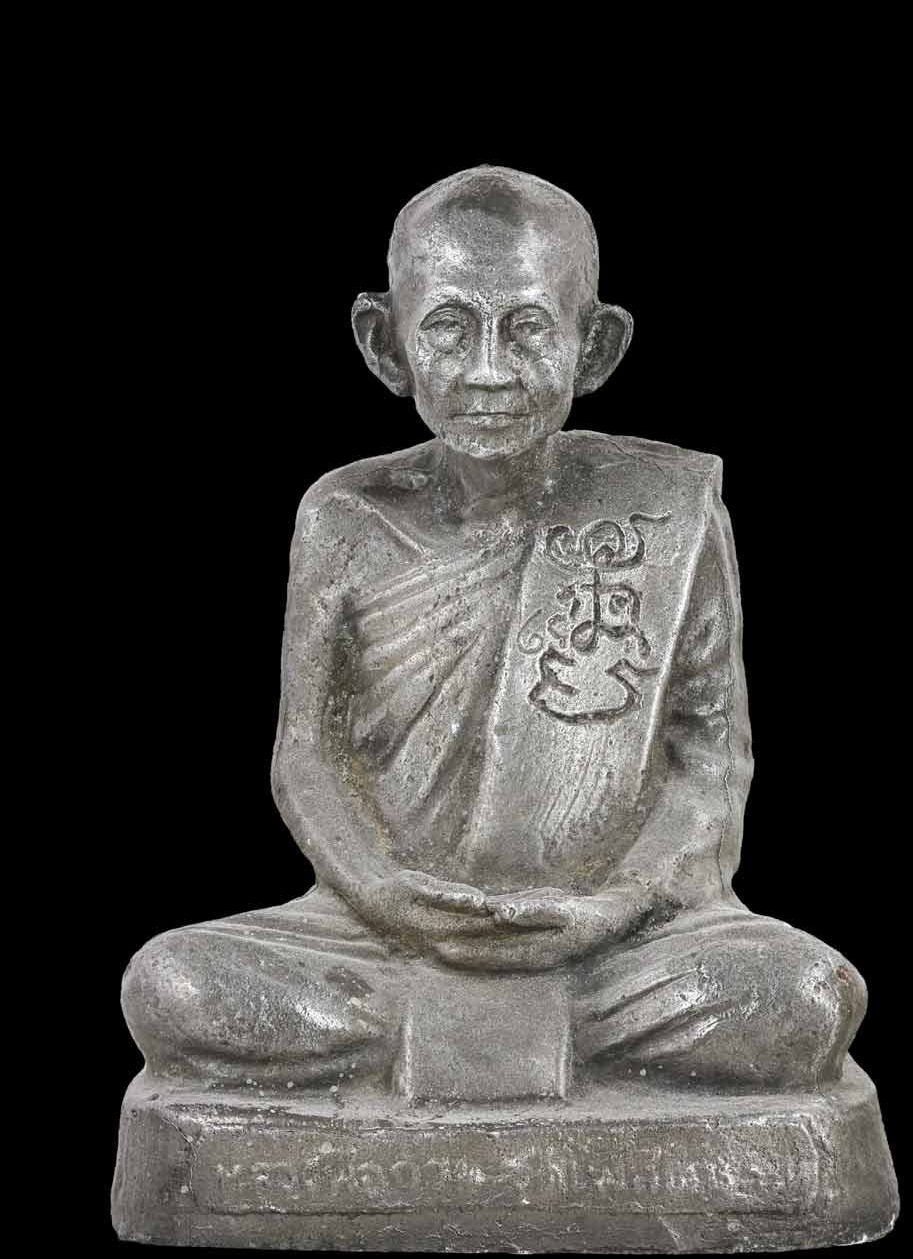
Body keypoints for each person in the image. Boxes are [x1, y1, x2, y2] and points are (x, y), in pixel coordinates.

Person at [121, 167, 866, 1092]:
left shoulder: (663, 511)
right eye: (448, 327)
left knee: (801, 998)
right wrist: (388, 897)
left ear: (594, 348)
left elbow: (709, 764)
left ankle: (446, 1038)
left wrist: (614, 907)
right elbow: (306, 757)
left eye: (527, 329)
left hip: (617, 940)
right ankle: (515, 1036)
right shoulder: (346, 517)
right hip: (381, 933)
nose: (487, 370)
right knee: (176, 984)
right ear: (384, 343)